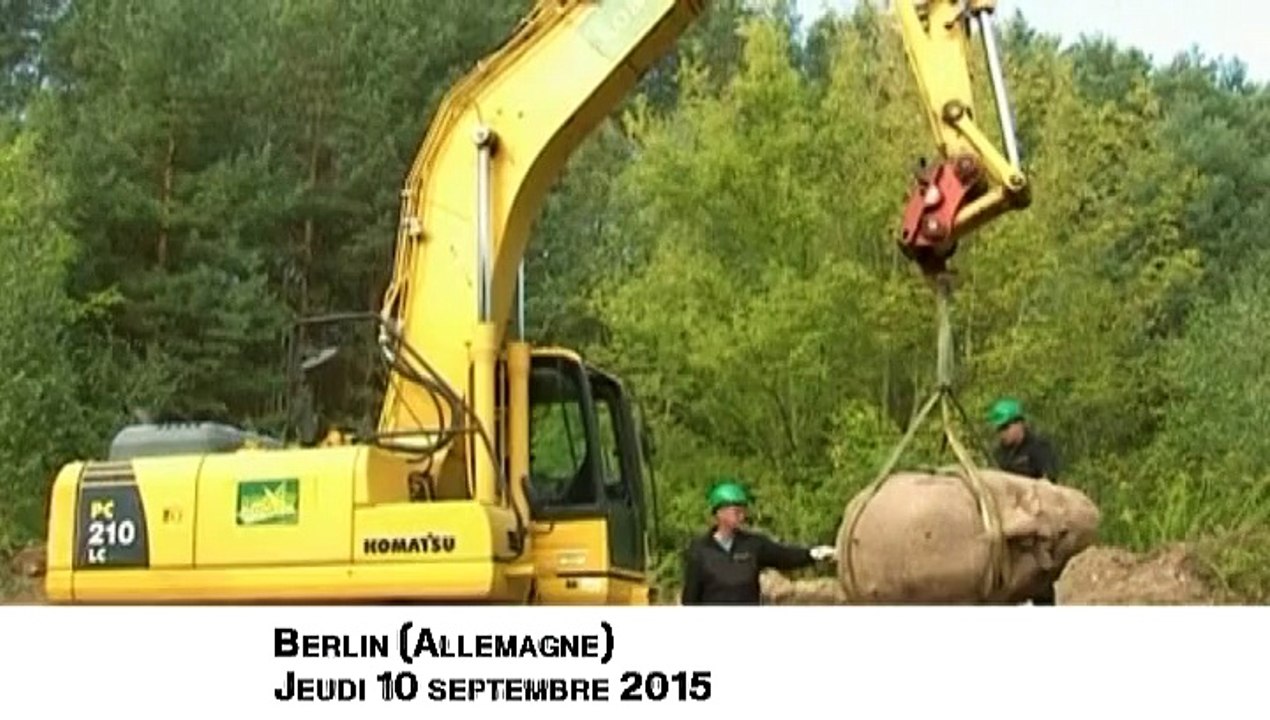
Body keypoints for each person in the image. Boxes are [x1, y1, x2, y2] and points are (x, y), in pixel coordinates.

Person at [680, 477, 837, 605]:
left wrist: (814, 554)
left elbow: (784, 556)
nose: (741, 515)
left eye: (743, 510)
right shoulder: (699, 551)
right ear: (719, 512)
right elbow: (690, 599)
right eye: (736, 510)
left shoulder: (753, 545)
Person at [987, 396, 1062, 605]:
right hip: (1009, 515)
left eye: (1005, 428)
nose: (1001, 434)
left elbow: (1050, 480)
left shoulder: (1038, 447)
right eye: (999, 430)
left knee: (1039, 578)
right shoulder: (999, 454)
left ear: (1018, 424)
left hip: (1036, 514)